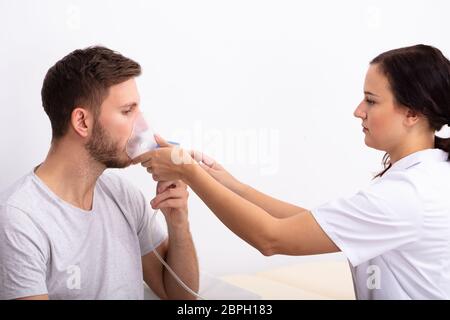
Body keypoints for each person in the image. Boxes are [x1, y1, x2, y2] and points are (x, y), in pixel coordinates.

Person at [134, 44, 450, 299]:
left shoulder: (407, 195)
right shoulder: (427, 177)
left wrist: (189, 173)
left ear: (412, 113)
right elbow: (313, 224)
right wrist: (232, 185)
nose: (358, 111)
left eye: (371, 100)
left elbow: (270, 239)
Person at [0, 46, 199, 300]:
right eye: (128, 111)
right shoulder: (20, 220)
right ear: (82, 122)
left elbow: (180, 297)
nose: (144, 126)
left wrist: (178, 222)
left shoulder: (124, 196)